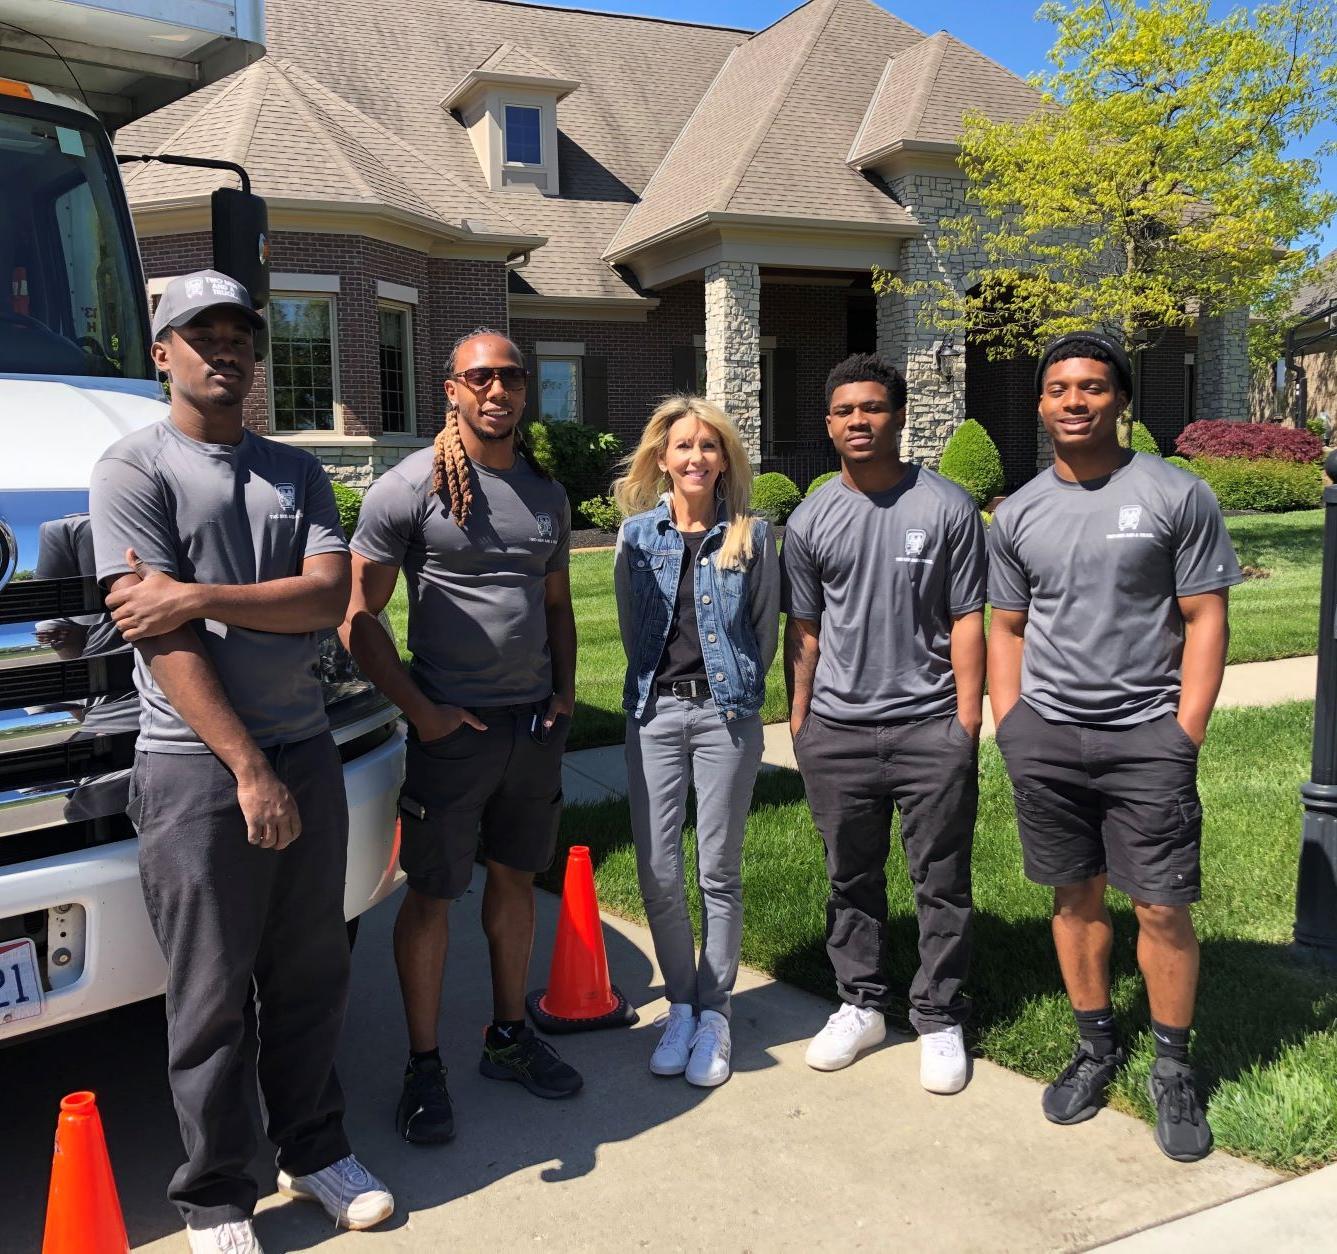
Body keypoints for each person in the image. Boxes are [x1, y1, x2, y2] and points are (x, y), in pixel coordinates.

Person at [89, 270, 393, 1254]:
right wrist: (247, 770)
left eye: (239, 336)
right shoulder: (132, 469)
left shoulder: (294, 472)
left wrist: (197, 593)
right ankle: (216, 1197)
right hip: (194, 770)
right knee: (212, 993)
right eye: (199, 333)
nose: (224, 349)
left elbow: (322, 601)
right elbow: (155, 637)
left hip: (303, 750)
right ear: (163, 352)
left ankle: (313, 1150)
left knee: (311, 973)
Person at [987, 331, 1242, 1163]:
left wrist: (1184, 730)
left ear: (1119, 399)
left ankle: (1171, 1065)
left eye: (1092, 387)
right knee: (1073, 899)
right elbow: (1007, 626)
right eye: (1058, 387)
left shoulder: (1175, 494)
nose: (1073, 400)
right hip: (1047, 739)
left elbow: (1205, 617)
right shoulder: (1018, 512)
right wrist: (1011, 720)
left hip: (1145, 739)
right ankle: (1095, 1045)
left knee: (1162, 905)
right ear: (1039, 402)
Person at [339, 327, 581, 1145]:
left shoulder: (546, 492)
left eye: (512, 375)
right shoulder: (409, 490)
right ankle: (422, 1065)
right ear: (451, 388)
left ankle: (510, 1037)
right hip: (452, 734)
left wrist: (565, 691)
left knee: (516, 883)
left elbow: (556, 605)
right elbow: (357, 619)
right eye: (480, 377)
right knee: (434, 895)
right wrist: (422, 711)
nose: (498, 390)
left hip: (531, 729)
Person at [782, 353, 985, 1094]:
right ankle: (860, 1002)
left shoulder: (947, 507)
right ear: (828, 424)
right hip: (836, 730)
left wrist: (965, 721)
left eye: (871, 408)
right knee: (850, 877)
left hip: (929, 723)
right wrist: (801, 722)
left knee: (941, 881)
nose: (858, 421)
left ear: (898, 416)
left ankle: (937, 1014)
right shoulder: (810, 518)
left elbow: (968, 620)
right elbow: (802, 629)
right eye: (843, 411)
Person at [612, 396, 779, 1088]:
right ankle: (677, 1004)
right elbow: (630, 631)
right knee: (656, 868)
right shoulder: (634, 537)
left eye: (709, 447)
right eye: (682, 446)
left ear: (724, 459)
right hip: (654, 716)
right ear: (660, 457)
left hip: (724, 717)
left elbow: (763, 634)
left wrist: (735, 694)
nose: (695, 458)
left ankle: (715, 1013)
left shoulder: (753, 536)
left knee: (717, 870)